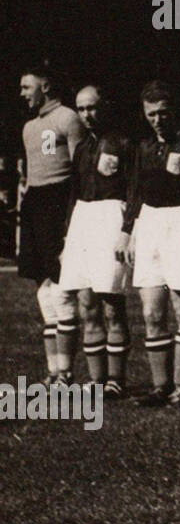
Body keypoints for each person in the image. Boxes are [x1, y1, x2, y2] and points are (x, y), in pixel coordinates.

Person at [117, 81, 180, 408]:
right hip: (149, 226)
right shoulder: (143, 146)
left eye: (162, 113)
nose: (157, 119)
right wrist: (128, 231)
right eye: (151, 114)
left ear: (172, 111)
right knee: (150, 311)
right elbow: (134, 191)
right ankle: (160, 387)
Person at [59, 85, 133, 397]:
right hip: (83, 221)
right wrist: (66, 238)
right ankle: (96, 380)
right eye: (82, 109)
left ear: (105, 106)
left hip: (111, 217)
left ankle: (116, 380)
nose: (87, 114)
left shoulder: (124, 143)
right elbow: (73, 196)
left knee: (111, 303)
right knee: (86, 303)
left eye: (92, 107)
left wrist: (127, 230)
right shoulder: (81, 148)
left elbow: (133, 192)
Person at [19, 67, 88, 386]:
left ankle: (67, 372)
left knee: (62, 287)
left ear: (45, 86)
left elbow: (80, 170)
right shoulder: (29, 126)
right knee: (43, 288)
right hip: (34, 202)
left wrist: (73, 215)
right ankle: (53, 371)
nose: (22, 93)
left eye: (26, 87)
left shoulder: (68, 118)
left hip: (58, 199)